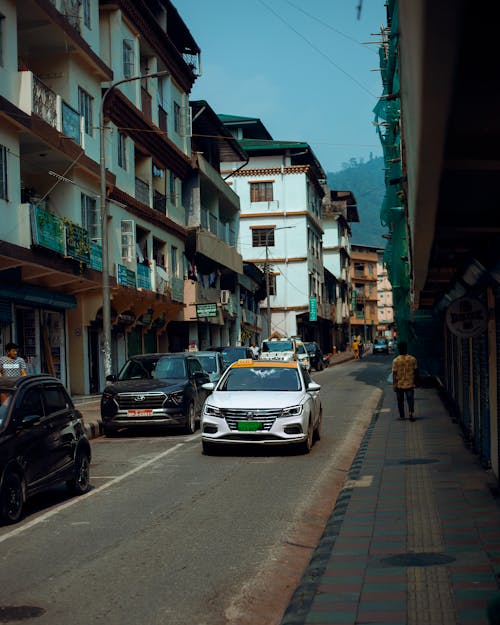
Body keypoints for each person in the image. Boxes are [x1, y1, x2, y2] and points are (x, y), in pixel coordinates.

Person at [392, 341, 418, 421]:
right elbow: (416, 371)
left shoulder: (396, 360)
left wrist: (394, 384)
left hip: (399, 384)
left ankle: (402, 416)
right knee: (410, 398)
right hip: (410, 383)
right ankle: (410, 412)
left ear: (399, 349)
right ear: (406, 349)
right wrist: (416, 381)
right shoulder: (412, 359)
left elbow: (394, 373)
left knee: (400, 400)